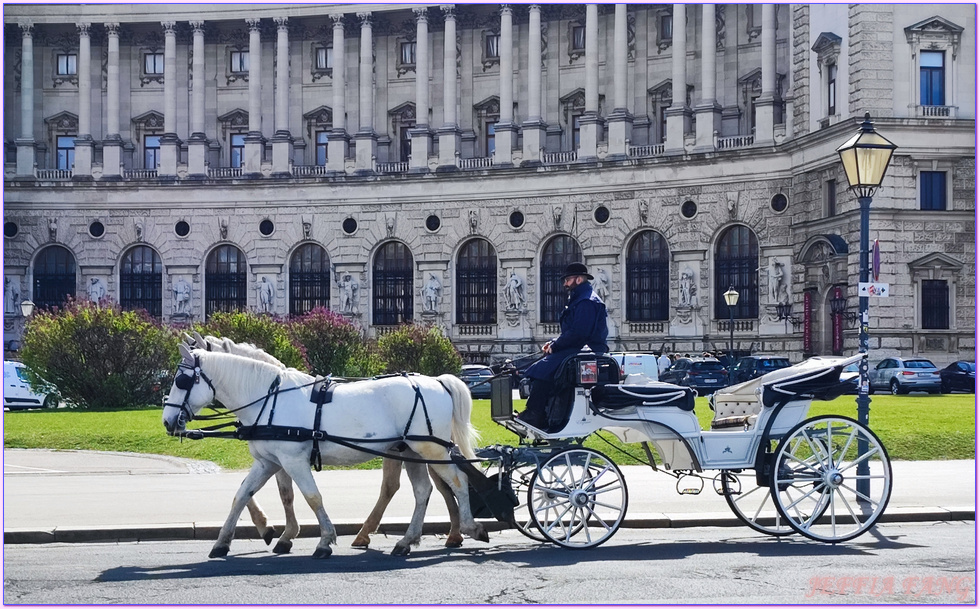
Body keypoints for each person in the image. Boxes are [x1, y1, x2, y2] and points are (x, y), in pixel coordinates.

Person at [516, 262, 609, 429]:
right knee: (544, 368)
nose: (565, 284)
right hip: (579, 348)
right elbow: (573, 331)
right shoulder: (581, 299)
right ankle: (542, 413)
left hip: (585, 350)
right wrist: (553, 342)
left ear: (579, 279)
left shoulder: (586, 302)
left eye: (567, 280)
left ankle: (534, 414)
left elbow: (579, 333)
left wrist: (557, 345)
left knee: (543, 370)